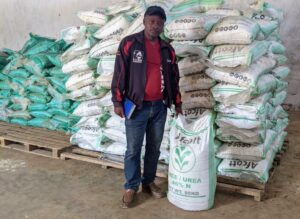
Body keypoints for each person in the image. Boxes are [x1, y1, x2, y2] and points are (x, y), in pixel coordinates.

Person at [111, 5, 182, 208]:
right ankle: (131, 186)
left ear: (163, 26)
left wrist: (177, 102)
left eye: (159, 23)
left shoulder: (168, 49)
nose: (155, 26)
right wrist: (117, 101)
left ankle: (148, 181)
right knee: (133, 149)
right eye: (152, 21)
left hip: (159, 107)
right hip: (136, 107)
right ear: (144, 21)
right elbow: (119, 73)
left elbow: (174, 79)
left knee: (154, 148)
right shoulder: (129, 44)